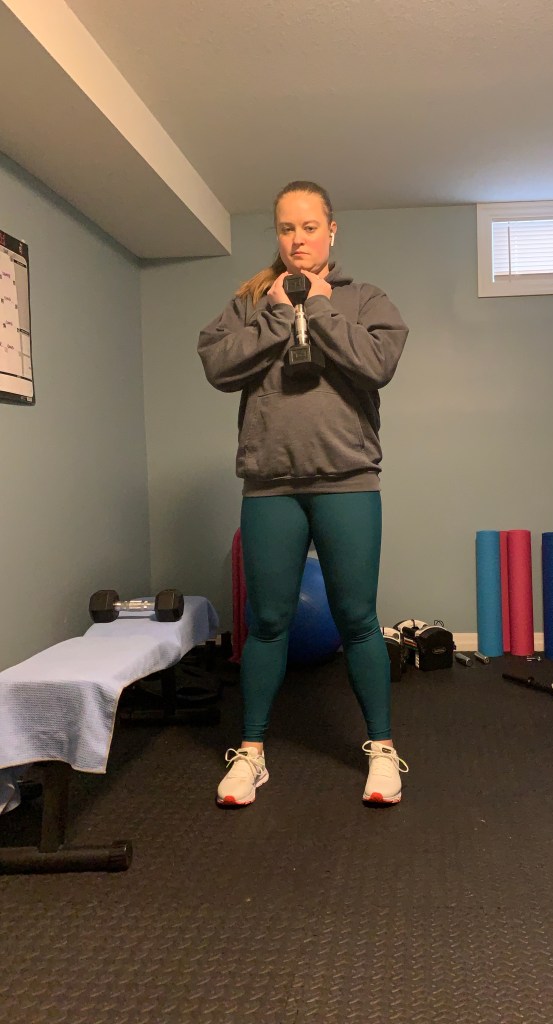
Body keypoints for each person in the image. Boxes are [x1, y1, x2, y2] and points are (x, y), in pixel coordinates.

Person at [198, 180, 410, 808]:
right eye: (287, 228)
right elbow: (217, 365)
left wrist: (317, 307)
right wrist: (274, 314)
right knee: (266, 623)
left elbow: (377, 364)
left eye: (310, 227)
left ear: (331, 230)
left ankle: (382, 750)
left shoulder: (365, 299)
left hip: (348, 481)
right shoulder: (250, 301)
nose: (298, 239)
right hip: (270, 486)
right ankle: (252, 753)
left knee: (359, 620)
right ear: (278, 234)